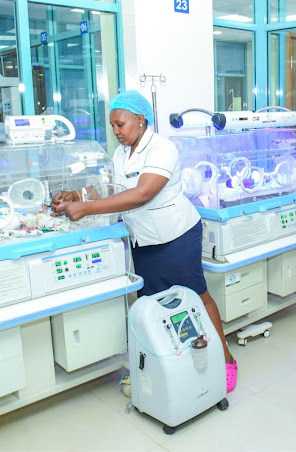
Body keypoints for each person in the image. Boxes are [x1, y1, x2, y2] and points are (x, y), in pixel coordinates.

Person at [50, 90, 238, 392]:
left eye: (120, 125)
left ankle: (226, 359)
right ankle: (170, 366)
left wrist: (85, 208)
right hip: (144, 241)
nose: (116, 132)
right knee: (153, 305)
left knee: (195, 297)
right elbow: (109, 187)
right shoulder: (121, 153)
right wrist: (77, 196)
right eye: (112, 126)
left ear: (140, 119)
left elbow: (142, 193)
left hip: (176, 236)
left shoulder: (163, 148)